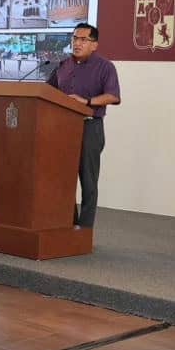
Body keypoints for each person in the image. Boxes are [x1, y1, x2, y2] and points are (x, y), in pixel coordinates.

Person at [47, 22, 120, 228]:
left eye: (83, 39)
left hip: (90, 128)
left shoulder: (105, 67)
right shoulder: (62, 66)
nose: (77, 43)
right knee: (63, 178)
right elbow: (48, 93)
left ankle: (85, 229)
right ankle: (68, 223)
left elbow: (113, 96)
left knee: (88, 180)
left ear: (94, 45)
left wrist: (86, 101)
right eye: (74, 39)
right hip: (63, 129)